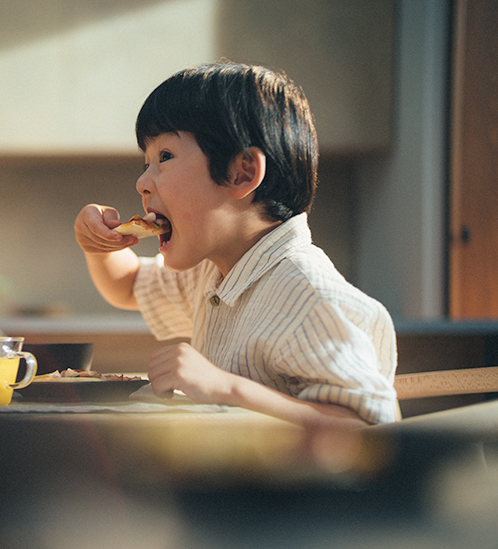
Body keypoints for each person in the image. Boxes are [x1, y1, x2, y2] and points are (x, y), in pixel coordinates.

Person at [74, 62, 397, 427]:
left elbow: (370, 430)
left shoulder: (309, 296)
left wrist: (227, 388)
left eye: (164, 157)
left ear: (242, 173)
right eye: (146, 161)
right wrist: (99, 246)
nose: (142, 183)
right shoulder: (213, 272)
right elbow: (128, 286)